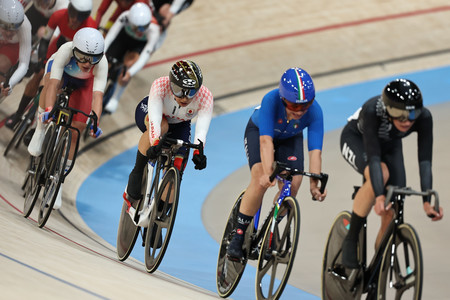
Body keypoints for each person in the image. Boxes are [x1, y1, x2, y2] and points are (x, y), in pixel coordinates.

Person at [340, 78, 444, 269]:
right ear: (388, 111)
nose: (407, 121)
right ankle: (351, 238)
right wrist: (379, 196)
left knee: (393, 207)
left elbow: (425, 161)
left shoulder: (424, 118)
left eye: (412, 114)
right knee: (380, 173)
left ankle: (376, 273)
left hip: (390, 146)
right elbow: (373, 158)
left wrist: (427, 200)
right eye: (400, 115)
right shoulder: (373, 111)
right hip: (358, 139)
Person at [226, 67, 327, 260]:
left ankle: (269, 230)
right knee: (259, 179)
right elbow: (265, 142)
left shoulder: (315, 112)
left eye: (305, 105)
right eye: (293, 105)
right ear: (283, 99)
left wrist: (314, 184)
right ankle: (238, 236)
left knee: (294, 185)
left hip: (290, 138)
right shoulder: (270, 101)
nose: (300, 111)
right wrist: (267, 171)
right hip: (260, 133)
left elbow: (315, 151)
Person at [27, 27, 108, 209]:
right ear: (75, 50)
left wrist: (94, 123)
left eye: (93, 58)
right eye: (84, 57)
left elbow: (97, 97)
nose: (88, 63)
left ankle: (58, 182)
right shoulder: (65, 50)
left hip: (84, 85)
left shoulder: (102, 63)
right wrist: (48, 111)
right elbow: (55, 84)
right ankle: (39, 131)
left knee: (76, 130)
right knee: (48, 86)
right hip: (61, 74)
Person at [123, 59, 213, 212]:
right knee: (162, 126)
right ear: (171, 84)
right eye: (179, 90)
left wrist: (199, 151)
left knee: (179, 162)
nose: (184, 98)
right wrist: (156, 140)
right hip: (152, 114)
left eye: (190, 92)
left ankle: (158, 216)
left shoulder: (205, 96)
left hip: (180, 124)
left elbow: (201, 130)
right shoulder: (161, 85)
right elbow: (155, 120)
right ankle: (137, 171)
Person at [5, 0, 94, 128]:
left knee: (61, 84)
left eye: (80, 17)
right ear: (69, 10)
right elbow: (45, 41)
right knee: (39, 74)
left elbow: (85, 60)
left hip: (77, 56)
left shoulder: (90, 28)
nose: (74, 20)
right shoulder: (59, 15)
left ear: (85, 17)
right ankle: (18, 115)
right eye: (73, 14)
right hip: (59, 46)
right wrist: (42, 59)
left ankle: (42, 124)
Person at [102, 2, 160, 114]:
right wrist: (102, 53)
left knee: (127, 68)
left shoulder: (154, 29)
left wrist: (130, 72)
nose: (140, 30)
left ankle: (115, 98)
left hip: (138, 45)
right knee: (106, 61)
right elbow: (112, 35)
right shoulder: (125, 16)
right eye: (137, 27)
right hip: (123, 38)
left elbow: (145, 55)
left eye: (144, 27)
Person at [0, 0, 32, 102]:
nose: (9, 33)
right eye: (6, 27)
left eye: (14, 29)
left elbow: (24, 64)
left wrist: (10, 83)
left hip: (13, 45)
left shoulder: (25, 25)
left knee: (2, 65)